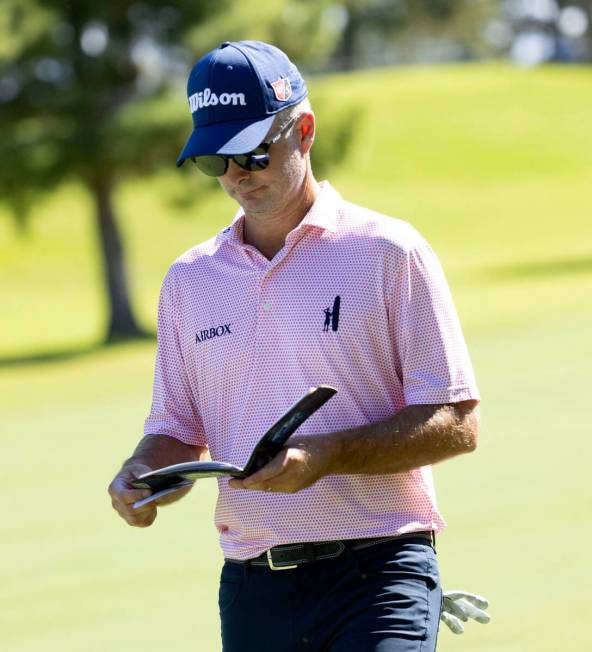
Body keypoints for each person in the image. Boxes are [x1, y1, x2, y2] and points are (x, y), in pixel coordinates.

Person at [109, 41, 488, 651]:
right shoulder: (189, 280)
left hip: (379, 575)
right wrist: (144, 472)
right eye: (215, 161)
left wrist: (325, 454)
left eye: (254, 153)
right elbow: (176, 427)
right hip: (252, 588)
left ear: (304, 130)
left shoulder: (389, 253)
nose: (236, 175)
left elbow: (457, 423)